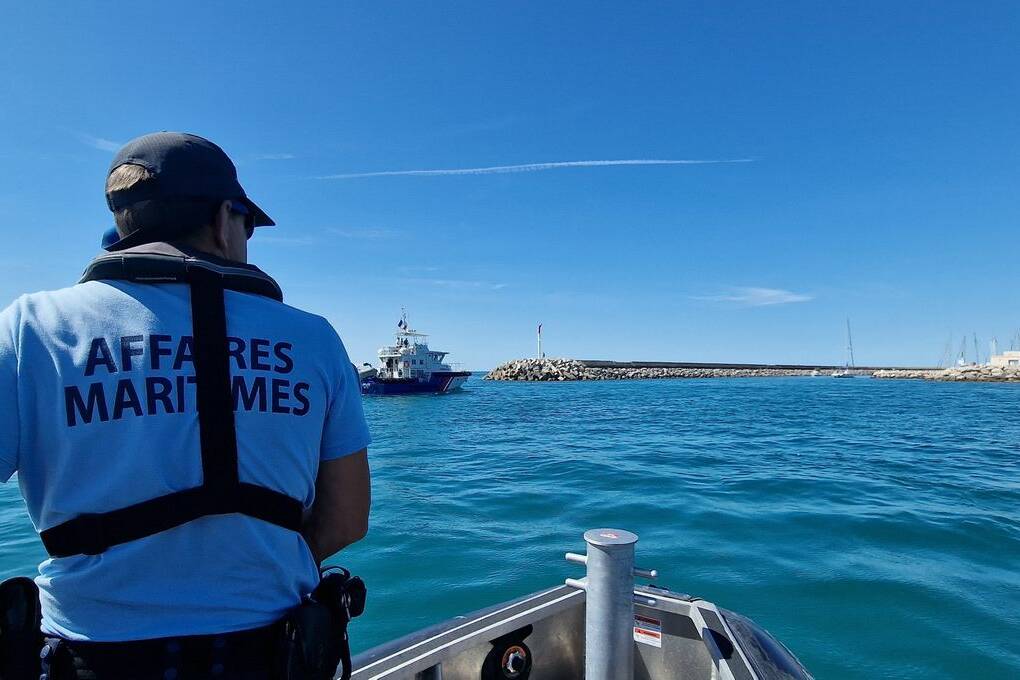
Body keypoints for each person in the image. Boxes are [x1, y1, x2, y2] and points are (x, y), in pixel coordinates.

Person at [0, 132, 371, 678]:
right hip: (268, 654)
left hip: (88, 656)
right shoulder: (313, 339)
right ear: (226, 218)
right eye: (248, 225)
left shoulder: (30, 327)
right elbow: (347, 517)